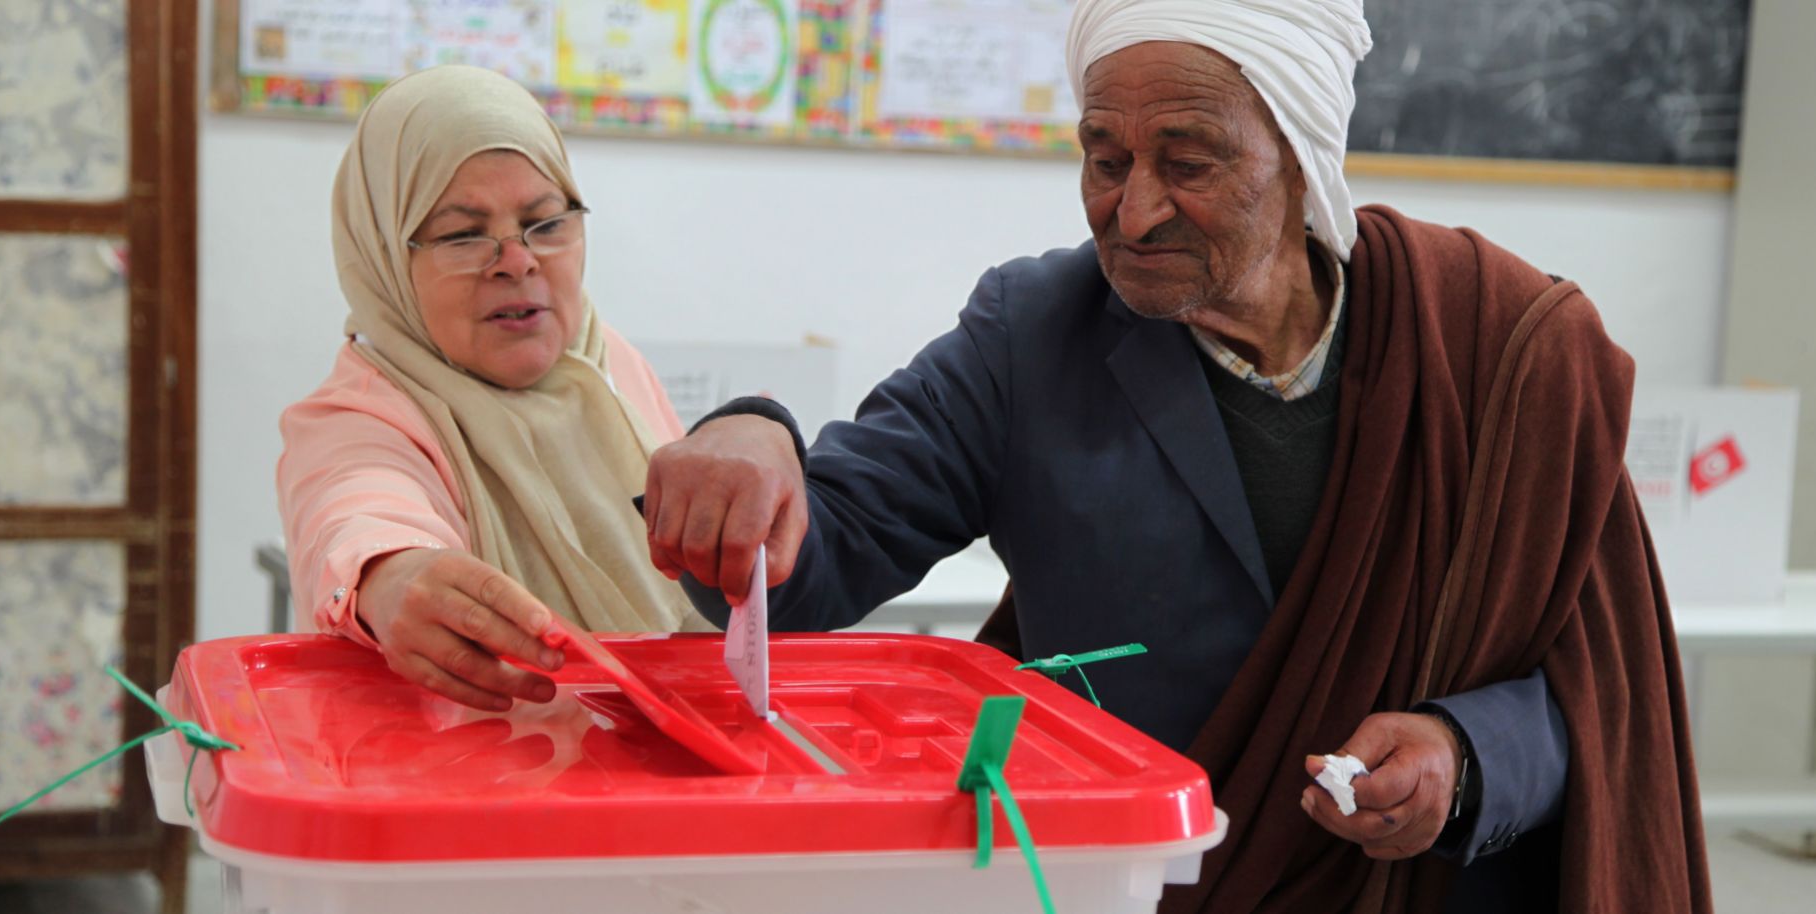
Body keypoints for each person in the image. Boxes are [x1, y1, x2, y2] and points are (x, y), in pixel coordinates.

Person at [639, 1, 1710, 911]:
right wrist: (752, 442)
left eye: (1187, 162)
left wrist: (1467, 754)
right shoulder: (1035, 334)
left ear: (1299, 155)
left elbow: (1602, 687)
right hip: (1141, 886)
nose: (1132, 208)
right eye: (1103, 159)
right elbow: (822, 551)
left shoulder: (1499, 347)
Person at [278, 66, 709, 714]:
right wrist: (391, 575)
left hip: (658, 771)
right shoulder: (357, 419)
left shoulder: (604, 364)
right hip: (474, 787)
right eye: (462, 234)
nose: (517, 260)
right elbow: (357, 508)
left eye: (545, 223)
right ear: (387, 258)